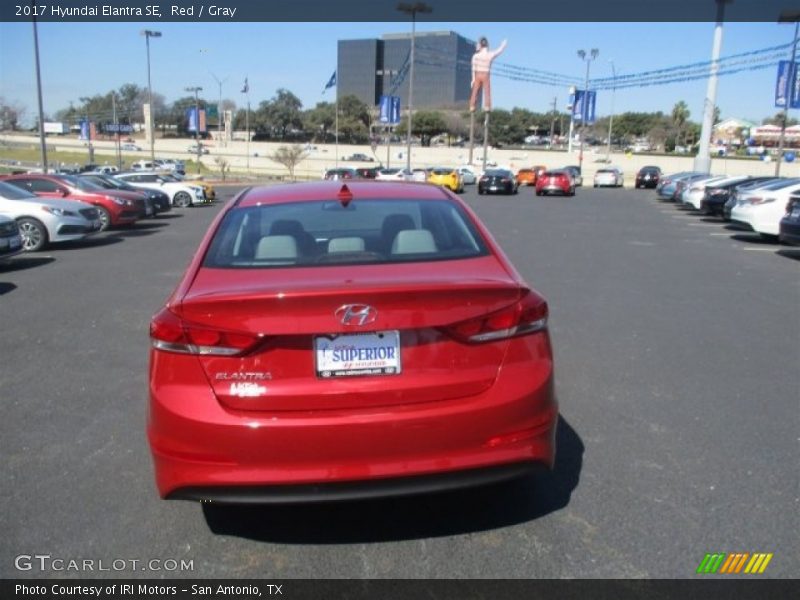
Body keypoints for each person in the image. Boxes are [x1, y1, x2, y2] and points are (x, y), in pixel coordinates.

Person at [470, 37, 507, 112]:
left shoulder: (475, 56)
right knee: (487, 91)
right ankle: (487, 106)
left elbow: (473, 68)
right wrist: (503, 46)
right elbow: (498, 51)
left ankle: (472, 106)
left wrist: (473, 79)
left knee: (475, 91)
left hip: (477, 74)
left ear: (480, 45)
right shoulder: (490, 55)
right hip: (486, 74)